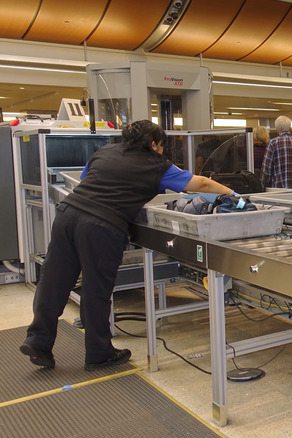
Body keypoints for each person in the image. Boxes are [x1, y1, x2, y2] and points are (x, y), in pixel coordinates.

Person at [20, 120, 234, 371]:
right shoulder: (157, 164)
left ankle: (37, 340)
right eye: (162, 145)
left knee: (53, 281)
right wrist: (233, 194)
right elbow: (202, 184)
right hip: (101, 226)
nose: (163, 150)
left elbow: (86, 179)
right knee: (96, 287)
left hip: (68, 215)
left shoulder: (105, 151)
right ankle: (99, 353)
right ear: (154, 144)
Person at [261, 116, 292, 191]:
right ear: (290, 128)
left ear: (276, 129)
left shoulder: (273, 143)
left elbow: (266, 170)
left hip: (278, 191)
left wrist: (264, 186)